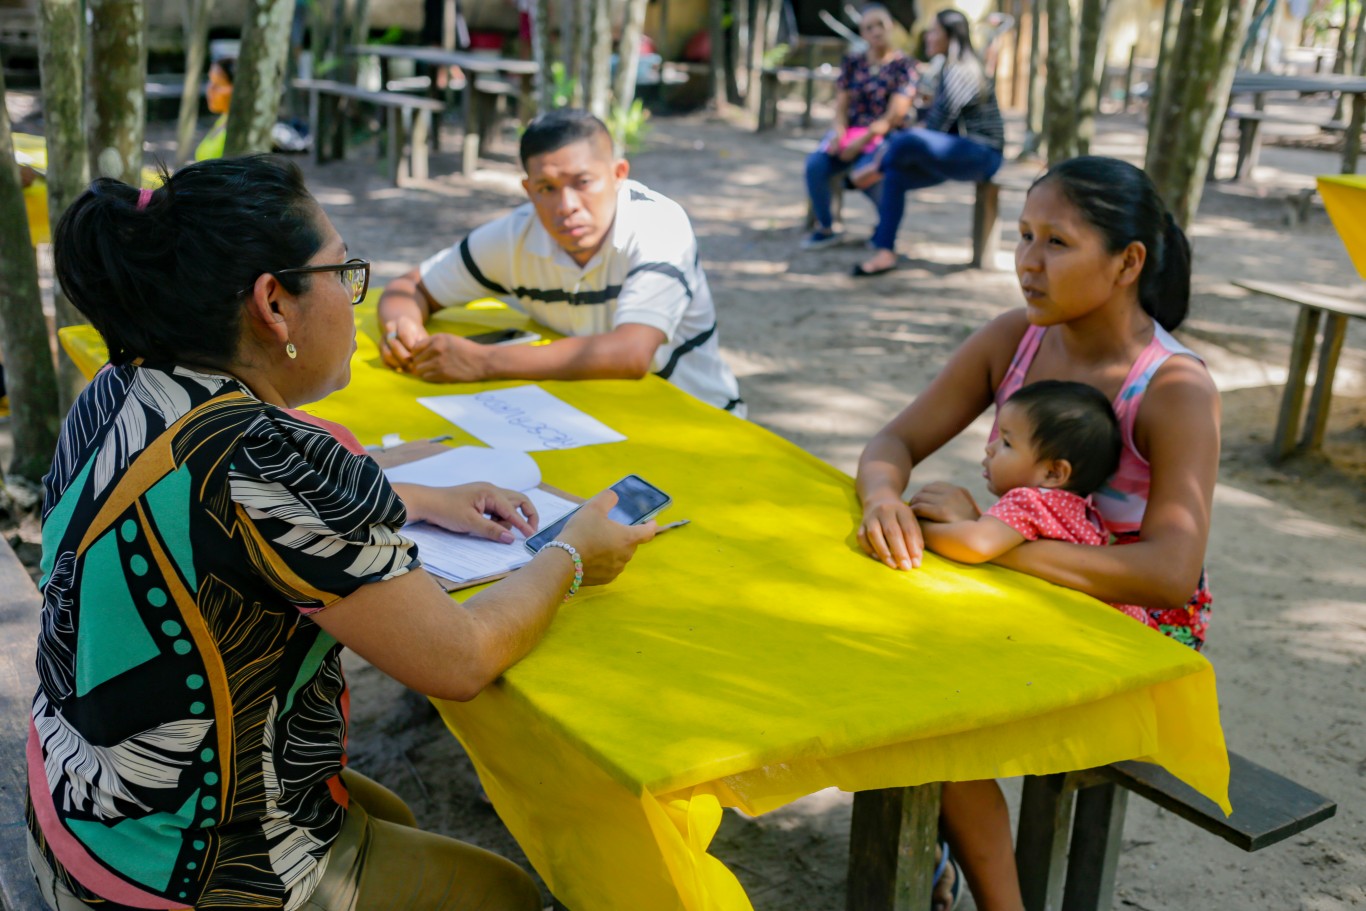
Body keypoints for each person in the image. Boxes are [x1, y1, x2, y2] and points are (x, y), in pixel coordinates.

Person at [27, 155, 654, 911]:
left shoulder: (120, 385)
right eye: (341, 272)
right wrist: (572, 550)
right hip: (180, 877)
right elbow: (458, 659)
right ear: (273, 303)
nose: (354, 298)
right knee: (508, 895)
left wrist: (412, 495)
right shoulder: (279, 458)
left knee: (389, 816)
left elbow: (210, 502)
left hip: (82, 816)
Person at [855, 155, 1219, 911]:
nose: (1027, 262)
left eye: (1056, 242)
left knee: (923, 704)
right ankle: (934, 856)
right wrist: (884, 499)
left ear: (1128, 262)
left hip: (1133, 636)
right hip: (1029, 602)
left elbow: (1169, 573)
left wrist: (1000, 539)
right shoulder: (1013, 340)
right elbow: (892, 442)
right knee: (867, 641)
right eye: (1023, 235)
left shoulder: (1174, 387)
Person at [377, 108, 745, 416]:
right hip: (590, 414)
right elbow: (409, 287)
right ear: (528, 190)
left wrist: (482, 362)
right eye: (547, 189)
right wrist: (404, 333)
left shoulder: (658, 227)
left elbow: (631, 353)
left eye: (583, 182)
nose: (566, 205)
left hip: (697, 417)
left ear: (619, 175)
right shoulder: (515, 236)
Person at [851, 8, 1005, 277]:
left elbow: (935, 127)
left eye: (934, 31)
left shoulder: (962, 70)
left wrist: (897, 140)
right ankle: (884, 251)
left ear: (949, 36)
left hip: (982, 154)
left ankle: (871, 169)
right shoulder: (948, 67)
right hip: (955, 152)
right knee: (895, 174)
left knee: (905, 140)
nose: (927, 36)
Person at [801, 2, 917, 250]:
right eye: (869, 27)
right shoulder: (853, 62)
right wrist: (838, 133)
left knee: (869, 174)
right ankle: (826, 226)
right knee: (815, 165)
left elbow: (893, 116)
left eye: (881, 26)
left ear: (892, 28)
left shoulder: (904, 66)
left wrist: (860, 143)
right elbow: (840, 107)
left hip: (882, 138)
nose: (876, 32)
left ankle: (884, 231)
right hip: (849, 135)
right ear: (862, 33)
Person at [194, 55, 234, 161]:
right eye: (210, 81)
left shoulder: (242, 129)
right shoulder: (224, 118)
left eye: (218, 83)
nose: (210, 89)